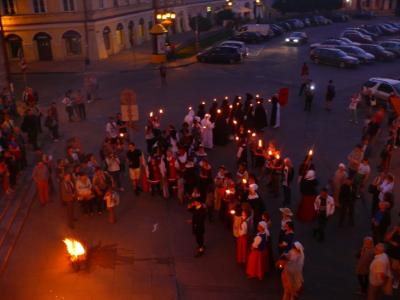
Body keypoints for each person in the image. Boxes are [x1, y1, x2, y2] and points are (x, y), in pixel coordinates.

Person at [385, 223, 400, 290]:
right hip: (390, 253)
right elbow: (386, 238)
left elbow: (396, 244)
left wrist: (391, 242)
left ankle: (396, 280)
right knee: (389, 267)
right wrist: (393, 231)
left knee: (395, 269)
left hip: (397, 256)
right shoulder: (395, 232)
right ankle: (391, 279)